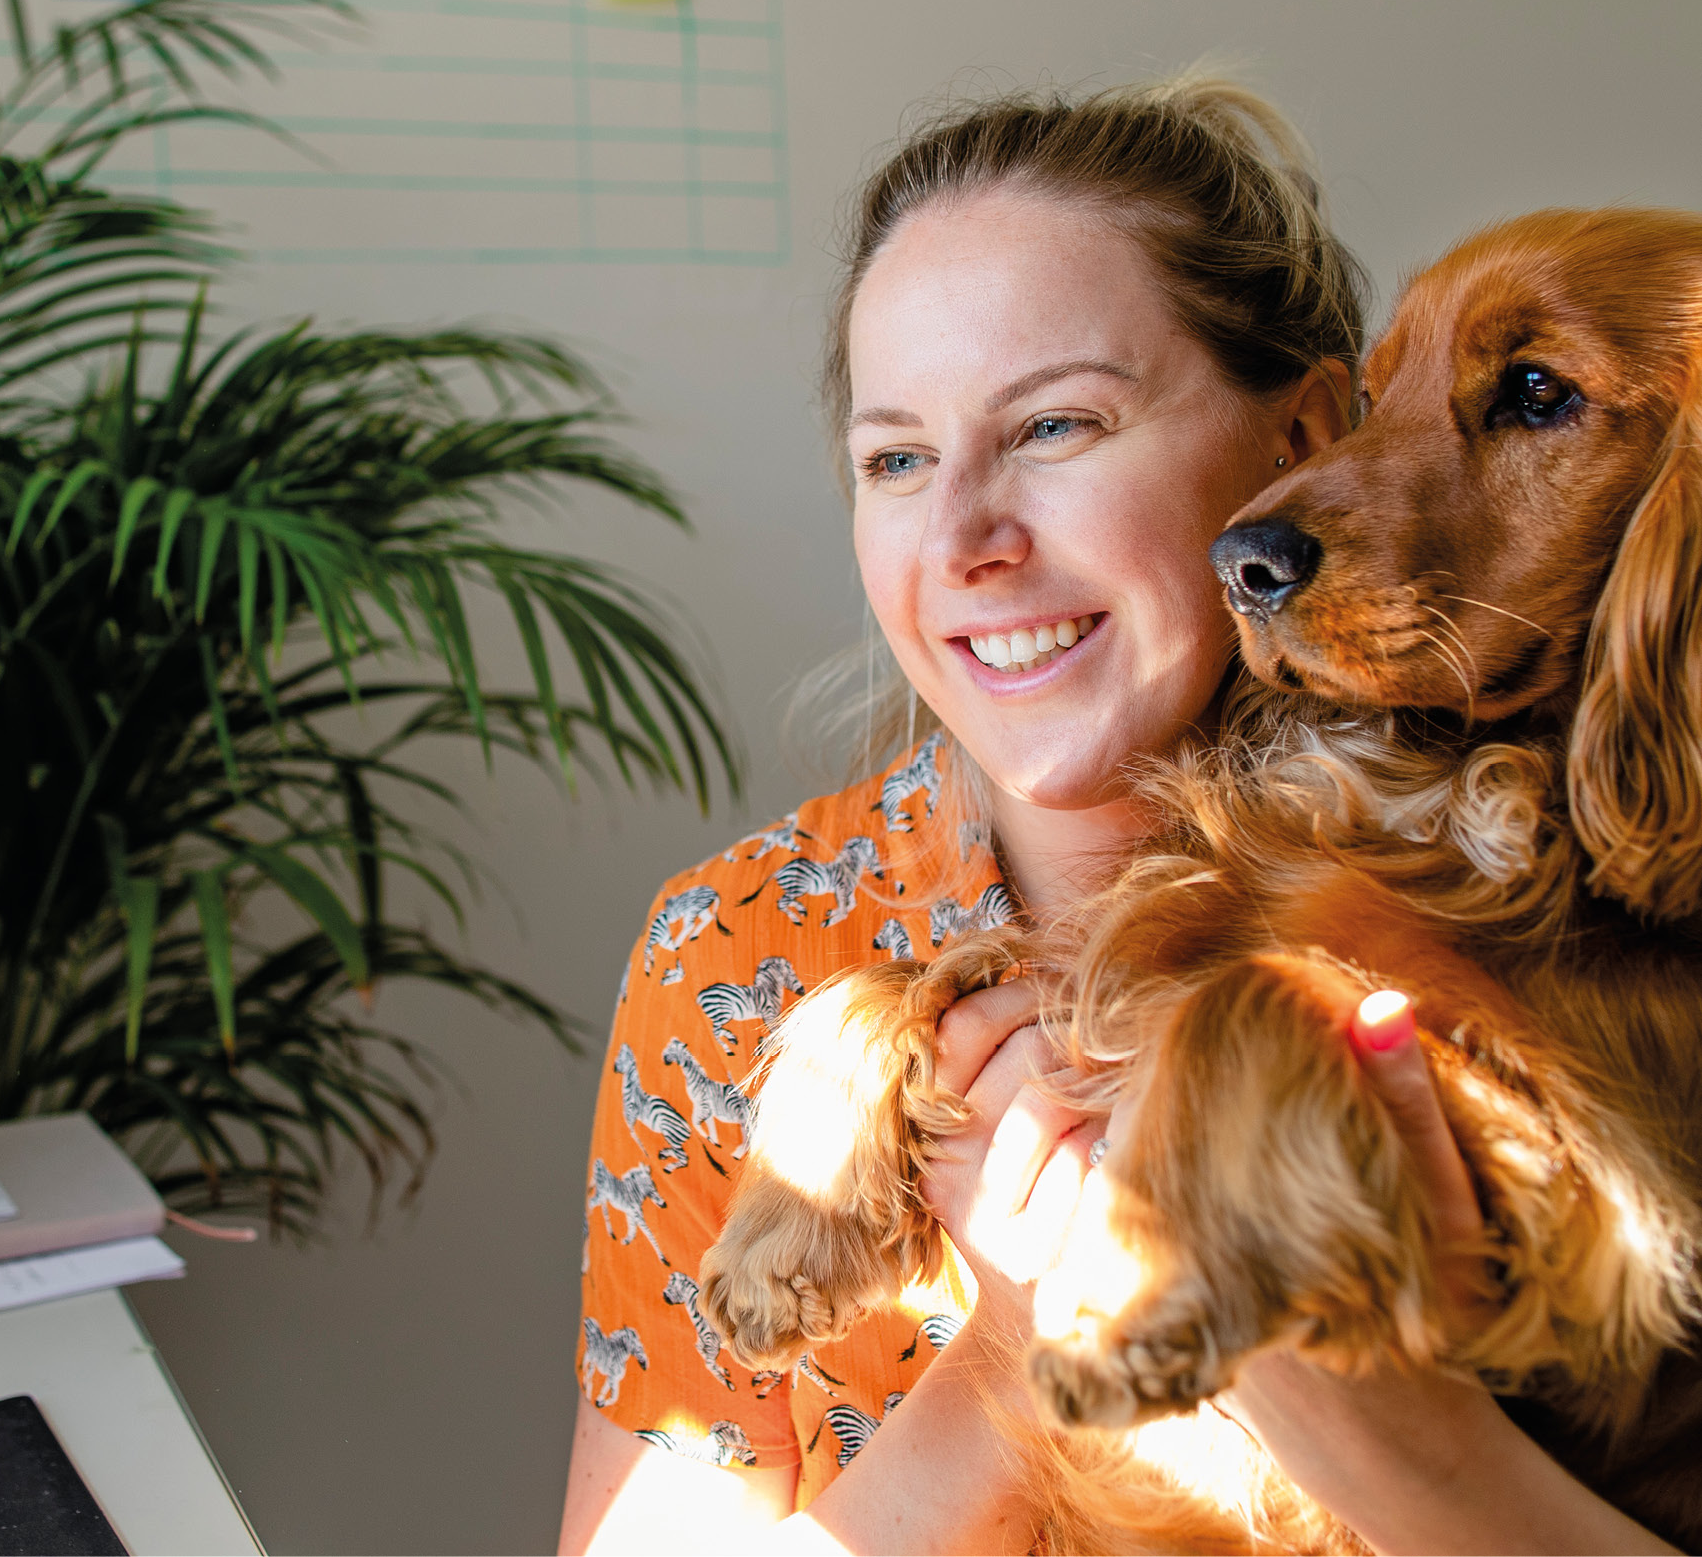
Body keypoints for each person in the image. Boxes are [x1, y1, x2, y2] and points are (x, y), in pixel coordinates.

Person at [559, 76, 1676, 1554]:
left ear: (1304, 443)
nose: (962, 541)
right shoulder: (750, 949)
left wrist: (1370, 1421)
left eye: (1055, 427)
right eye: (895, 459)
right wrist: (1020, 1325)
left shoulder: (1522, 870)